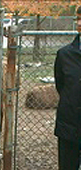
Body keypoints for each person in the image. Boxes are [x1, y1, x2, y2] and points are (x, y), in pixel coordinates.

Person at [54, 6, 81, 170]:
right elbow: (61, 86)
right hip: (69, 126)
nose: (80, 23)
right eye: (78, 18)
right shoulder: (64, 55)